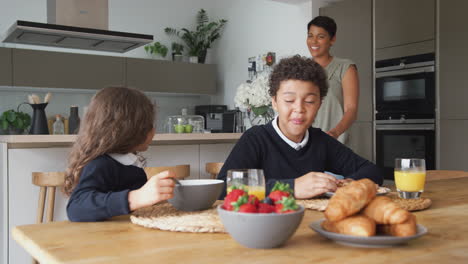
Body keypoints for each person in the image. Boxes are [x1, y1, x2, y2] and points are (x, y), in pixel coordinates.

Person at [217, 56, 383, 199]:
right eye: (289, 101)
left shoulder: (321, 141)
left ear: (319, 104)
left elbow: (372, 171)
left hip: (311, 224)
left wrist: (350, 183)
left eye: (309, 101)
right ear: (274, 102)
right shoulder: (256, 139)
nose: (299, 109)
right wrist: (292, 187)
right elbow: (225, 187)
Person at [63, 87, 176, 222]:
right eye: (148, 124)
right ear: (129, 130)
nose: (153, 130)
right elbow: (77, 208)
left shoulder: (130, 165)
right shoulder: (100, 164)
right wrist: (136, 197)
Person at [307, 15, 359, 144]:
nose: (314, 42)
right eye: (310, 35)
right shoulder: (302, 69)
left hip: (335, 142)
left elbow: (351, 109)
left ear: (332, 39)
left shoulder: (345, 67)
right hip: (305, 144)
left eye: (320, 36)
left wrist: (335, 132)